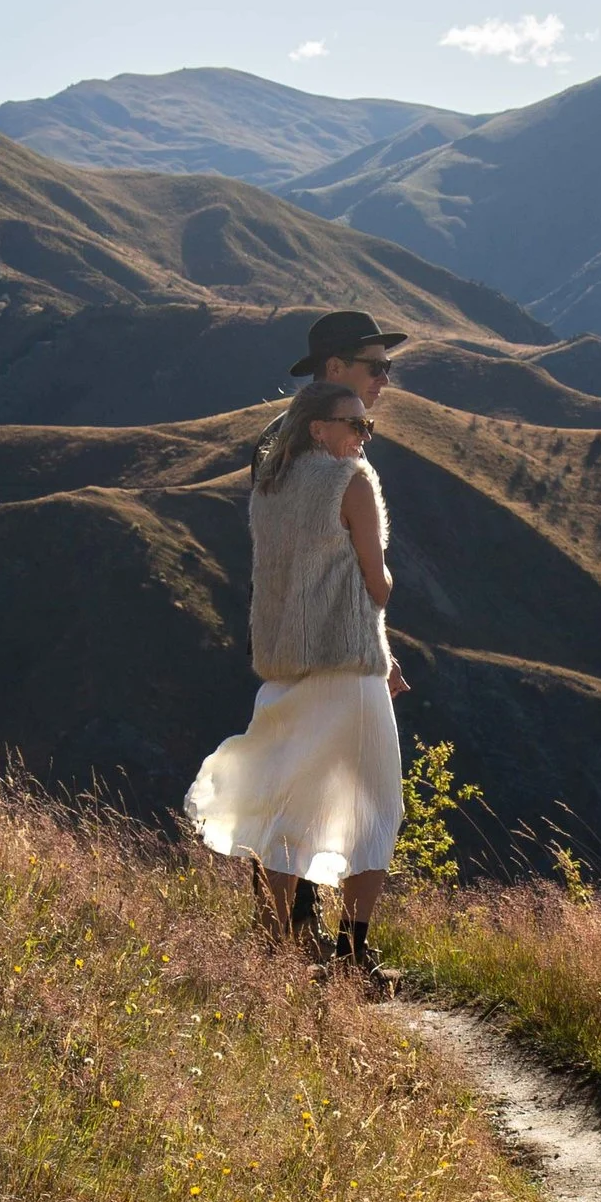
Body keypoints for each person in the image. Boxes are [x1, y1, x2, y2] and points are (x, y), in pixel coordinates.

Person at [185, 379, 406, 982]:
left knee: (287, 805)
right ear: (320, 428)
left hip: (284, 669)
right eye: (356, 426)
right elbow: (377, 584)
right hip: (348, 669)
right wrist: (383, 577)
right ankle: (353, 954)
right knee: (375, 807)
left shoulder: (269, 488)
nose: (365, 437)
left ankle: (282, 942)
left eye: (368, 428)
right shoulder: (353, 482)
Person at [285, 309, 405, 414]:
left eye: (386, 366)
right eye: (376, 366)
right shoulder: (308, 434)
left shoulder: (305, 426)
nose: (385, 380)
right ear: (334, 368)